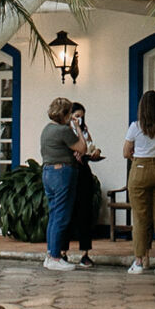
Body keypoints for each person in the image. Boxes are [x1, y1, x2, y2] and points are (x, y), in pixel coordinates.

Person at [122, 89, 155, 275]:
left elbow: (126, 152)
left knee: (140, 217)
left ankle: (139, 261)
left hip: (140, 169)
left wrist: (138, 160)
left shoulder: (135, 127)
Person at [39, 96, 87, 271]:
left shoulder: (47, 129)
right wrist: (78, 128)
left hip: (48, 172)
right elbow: (82, 148)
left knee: (54, 215)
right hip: (62, 173)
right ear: (66, 113)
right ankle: (55, 257)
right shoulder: (63, 131)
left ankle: (50, 254)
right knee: (61, 216)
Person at [62, 103, 105, 267]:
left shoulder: (84, 130)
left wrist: (95, 152)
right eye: (76, 116)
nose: (79, 119)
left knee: (84, 212)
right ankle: (63, 251)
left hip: (83, 171)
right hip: (69, 171)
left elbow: (90, 146)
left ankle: (85, 253)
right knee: (67, 211)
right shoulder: (65, 131)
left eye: (81, 116)